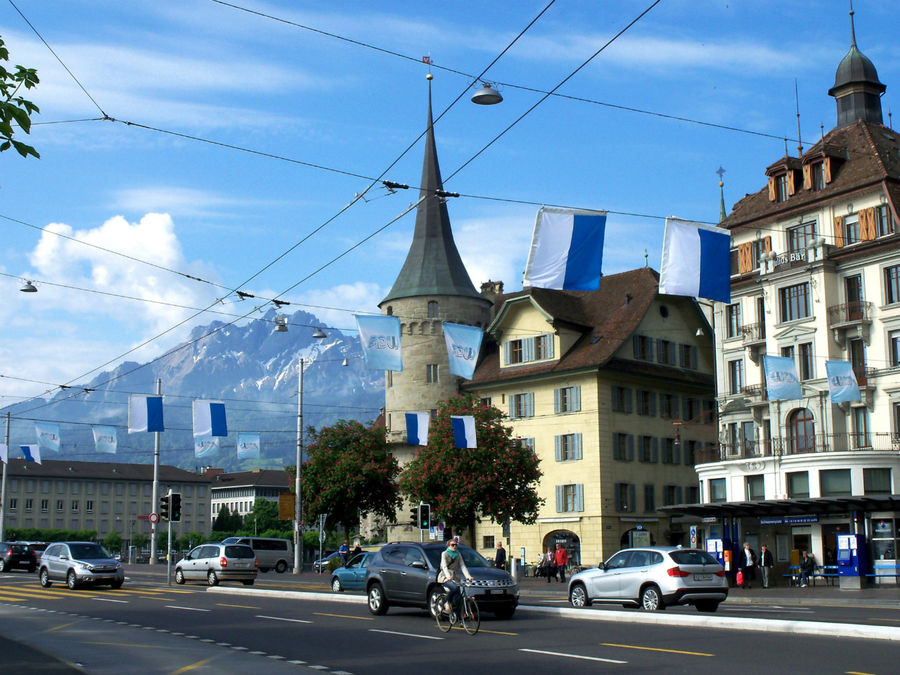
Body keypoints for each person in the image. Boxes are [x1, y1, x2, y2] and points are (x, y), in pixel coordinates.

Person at [438, 539, 473, 614]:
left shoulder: (458, 554)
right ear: (448, 546)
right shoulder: (444, 554)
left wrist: (468, 576)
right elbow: (444, 567)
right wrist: (448, 577)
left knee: (458, 598)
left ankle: (460, 619)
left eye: (455, 545)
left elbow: (463, 566)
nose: (454, 546)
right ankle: (447, 603)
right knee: (454, 587)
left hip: (456, 577)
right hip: (445, 577)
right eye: (452, 545)